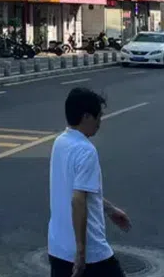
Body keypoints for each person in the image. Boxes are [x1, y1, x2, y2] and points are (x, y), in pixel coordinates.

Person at [49, 87, 132, 277]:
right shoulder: (86, 150)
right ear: (86, 117)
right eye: (98, 117)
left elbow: (80, 191)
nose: (100, 123)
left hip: (57, 247)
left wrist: (110, 210)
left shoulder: (60, 142)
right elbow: (78, 200)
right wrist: (81, 252)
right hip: (92, 254)